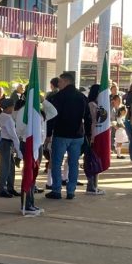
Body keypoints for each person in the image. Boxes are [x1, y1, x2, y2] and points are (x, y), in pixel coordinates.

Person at [45, 72, 88, 200]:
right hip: (77, 135)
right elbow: (87, 117)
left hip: (61, 134)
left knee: (56, 163)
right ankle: (71, 191)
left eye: (60, 81)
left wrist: (48, 134)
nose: (58, 83)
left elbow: (51, 117)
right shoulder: (81, 97)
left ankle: (56, 190)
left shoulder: (57, 98)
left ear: (66, 82)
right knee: (73, 163)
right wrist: (89, 135)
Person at [0, 98, 22, 198]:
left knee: (10, 166)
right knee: (5, 167)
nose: (13, 108)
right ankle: (2, 188)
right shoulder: (6, 117)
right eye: (12, 107)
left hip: (7, 143)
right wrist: (19, 150)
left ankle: (10, 187)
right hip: (6, 143)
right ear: (7, 108)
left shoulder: (5, 115)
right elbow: (13, 135)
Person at [84, 85, 105, 195]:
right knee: (91, 161)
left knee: (97, 160)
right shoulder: (92, 104)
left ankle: (94, 185)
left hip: (96, 135)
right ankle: (91, 185)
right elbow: (94, 120)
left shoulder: (97, 104)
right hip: (92, 136)